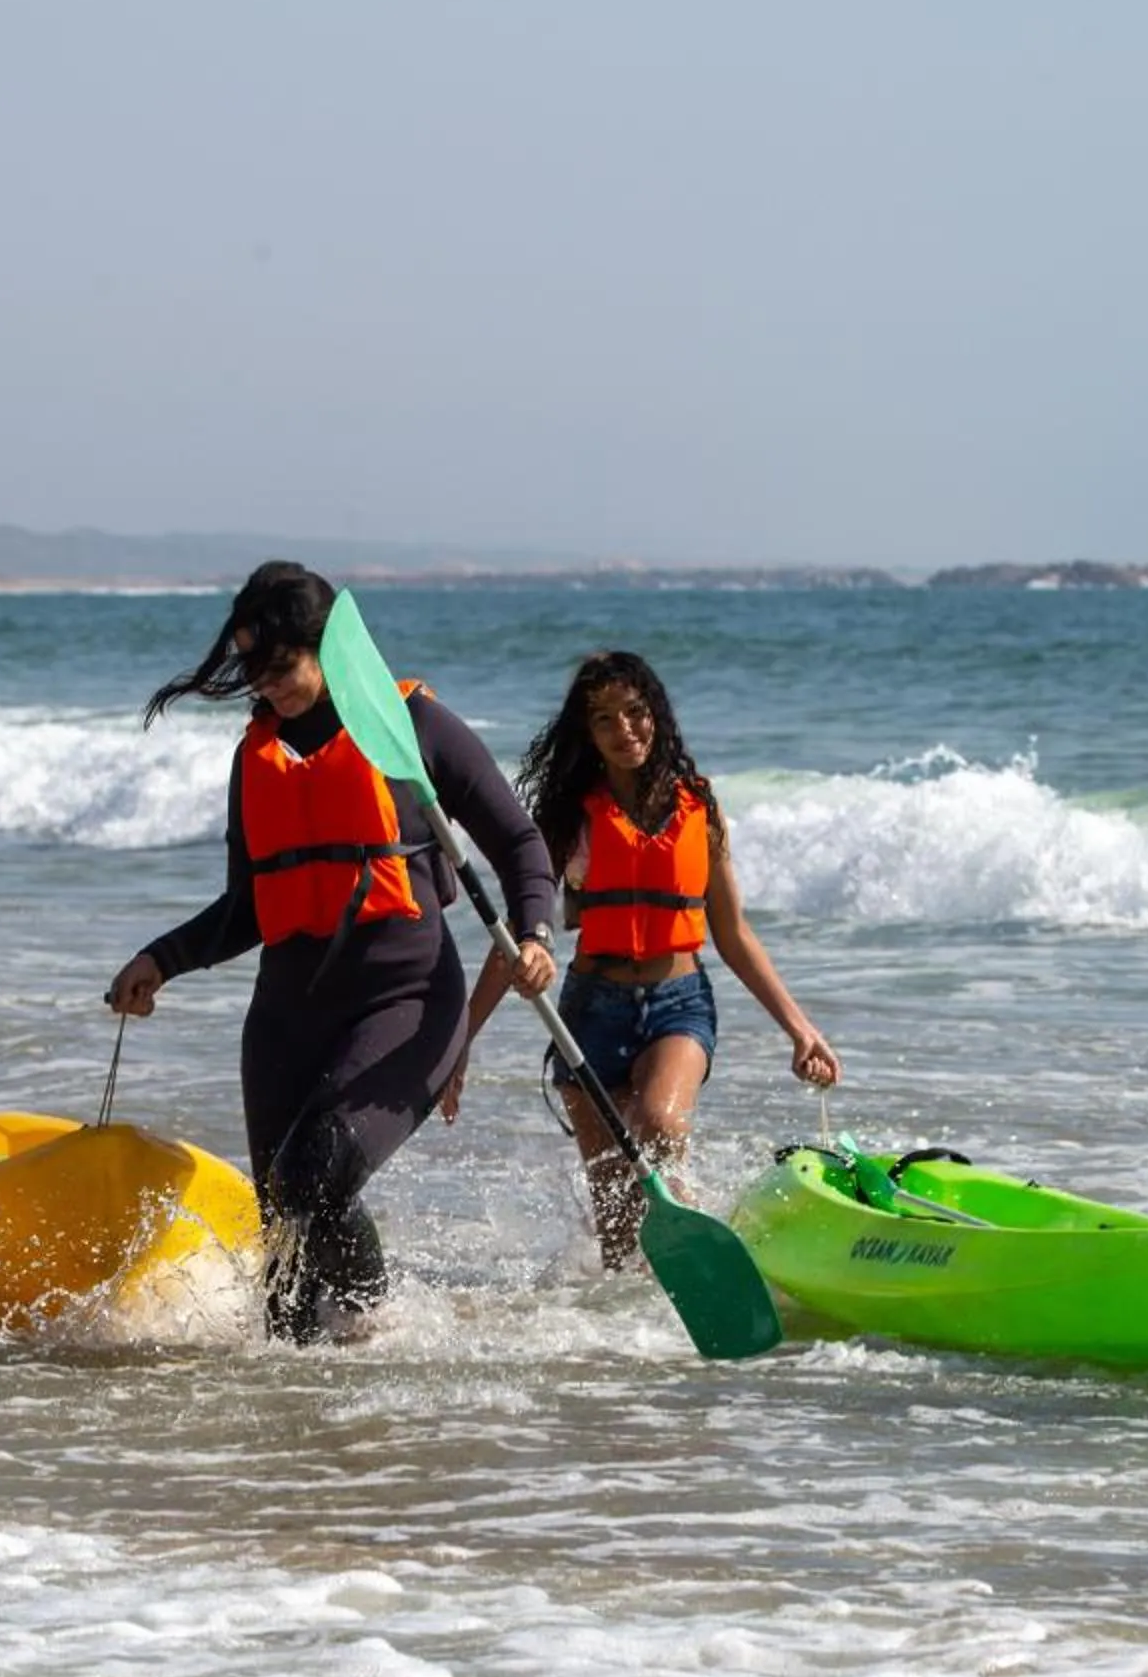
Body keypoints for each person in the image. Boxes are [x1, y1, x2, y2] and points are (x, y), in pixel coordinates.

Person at [104, 561, 559, 1344]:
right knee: (282, 1266)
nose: (266, 685)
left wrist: (535, 933)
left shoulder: (410, 727)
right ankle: (304, 1448)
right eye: (253, 668)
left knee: (312, 1176)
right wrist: (163, 958)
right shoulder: (257, 758)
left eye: (280, 666)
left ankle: (373, 1330)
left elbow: (519, 843)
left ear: (326, 648)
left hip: (406, 1002)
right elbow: (249, 906)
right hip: (286, 1017)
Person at [447, 649, 838, 1268]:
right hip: (589, 1012)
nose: (624, 729)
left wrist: (800, 1028)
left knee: (660, 1125)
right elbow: (523, 933)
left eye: (635, 712)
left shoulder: (699, 808)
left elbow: (733, 934)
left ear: (656, 713)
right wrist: (461, 1042)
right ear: (588, 734)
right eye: (604, 719)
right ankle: (631, 1335)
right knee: (617, 1222)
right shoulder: (569, 819)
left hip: (677, 1004)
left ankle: (696, 1256)